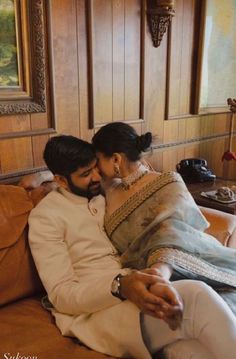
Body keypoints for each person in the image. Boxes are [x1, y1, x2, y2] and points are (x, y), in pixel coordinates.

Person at [28, 135, 236, 359]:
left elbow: (134, 170)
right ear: (61, 180)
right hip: (95, 310)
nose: (97, 176)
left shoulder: (100, 193)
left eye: (95, 168)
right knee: (196, 295)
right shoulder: (45, 217)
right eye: (86, 174)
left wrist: (41, 175)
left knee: (191, 351)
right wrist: (119, 286)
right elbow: (61, 294)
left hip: (135, 284)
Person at [92, 122, 236, 315]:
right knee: (201, 309)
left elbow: (186, 228)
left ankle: (161, 272)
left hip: (191, 258)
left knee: (224, 304)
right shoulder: (106, 189)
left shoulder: (168, 180)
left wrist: (160, 266)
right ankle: (159, 275)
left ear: (116, 158)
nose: (96, 168)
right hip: (141, 275)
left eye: (98, 160)